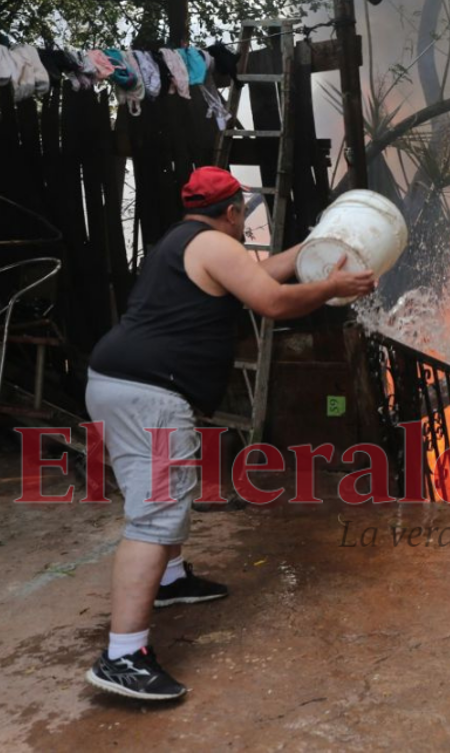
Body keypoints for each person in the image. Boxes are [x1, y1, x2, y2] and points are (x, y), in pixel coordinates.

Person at [83, 166, 377, 701]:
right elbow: (272, 302)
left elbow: (265, 273)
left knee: (166, 499)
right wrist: (331, 285)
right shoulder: (215, 247)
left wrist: (317, 247)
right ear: (234, 213)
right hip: (148, 393)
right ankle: (122, 656)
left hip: (123, 383)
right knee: (153, 514)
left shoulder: (187, 240)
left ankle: (170, 581)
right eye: (243, 217)